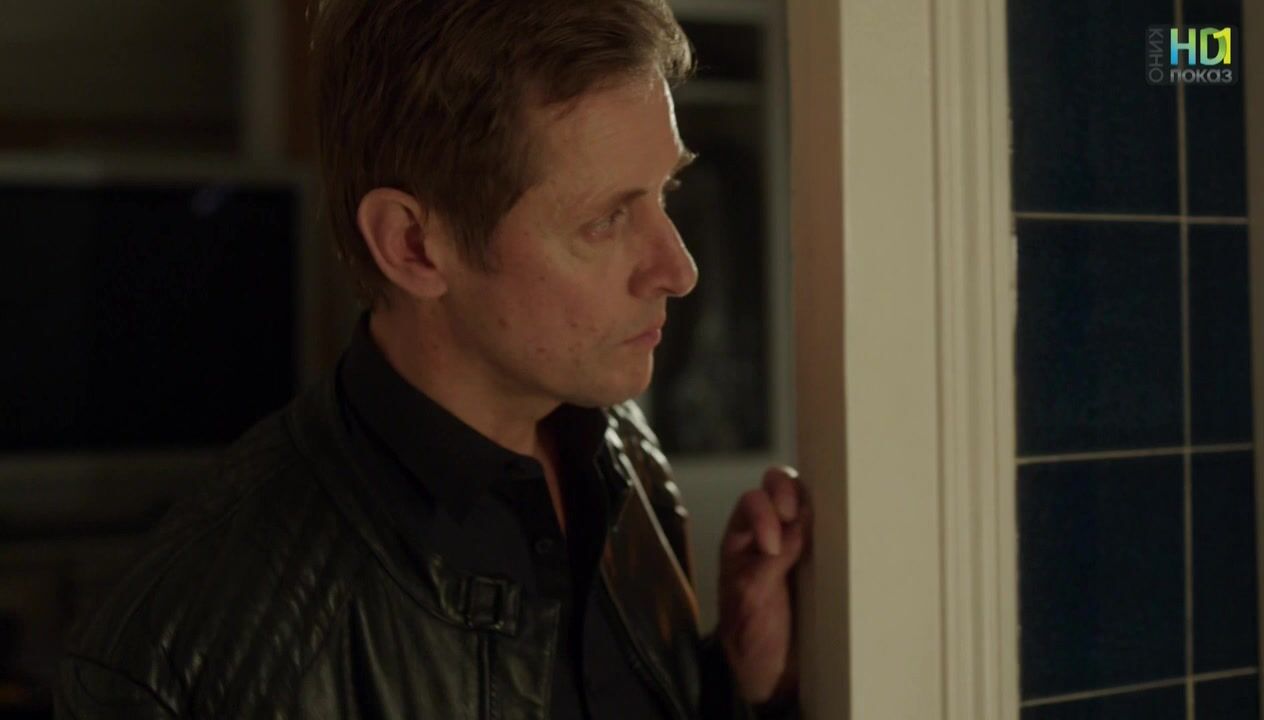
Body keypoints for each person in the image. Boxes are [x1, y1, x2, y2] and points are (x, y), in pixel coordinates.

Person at [56, 1, 810, 717]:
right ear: (413, 245)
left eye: (664, 193)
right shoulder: (181, 656)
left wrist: (739, 684)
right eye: (605, 220)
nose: (680, 270)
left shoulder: (619, 447)